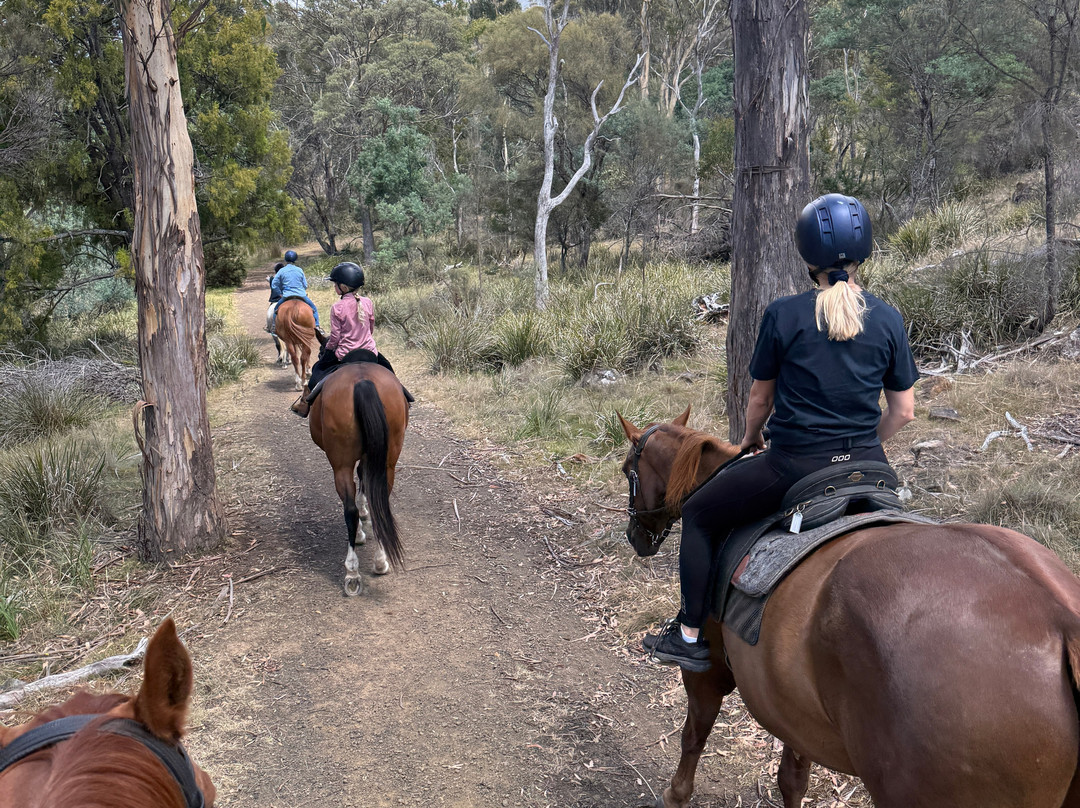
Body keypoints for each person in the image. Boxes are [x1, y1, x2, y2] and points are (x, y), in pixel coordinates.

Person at [644, 193, 919, 672]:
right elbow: (904, 412)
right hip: (874, 470)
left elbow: (759, 399)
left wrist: (751, 438)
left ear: (806, 254)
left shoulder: (785, 314)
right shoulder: (889, 317)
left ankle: (688, 634)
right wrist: (861, 445)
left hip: (795, 467)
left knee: (698, 512)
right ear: (864, 251)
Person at [291, 261, 414, 418]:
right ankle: (404, 398)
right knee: (388, 369)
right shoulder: (368, 302)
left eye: (335, 284)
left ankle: (305, 403)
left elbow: (335, 337)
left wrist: (329, 348)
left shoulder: (338, 307)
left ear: (343, 287)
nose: (334, 286)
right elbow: (370, 328)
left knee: (317, 371)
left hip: (345, 353)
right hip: (369, 351)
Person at [268, 250, 325, 341]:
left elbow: (274, 284)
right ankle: (317, 326)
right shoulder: (299, 270)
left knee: (276, 310)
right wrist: (301, 290)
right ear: (295, 259)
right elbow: (305, 285)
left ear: (286, 259)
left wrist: (280, 293)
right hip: (301, 296)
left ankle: (274, 327)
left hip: (286, 296)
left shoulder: (282, 271)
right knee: (314, 309)